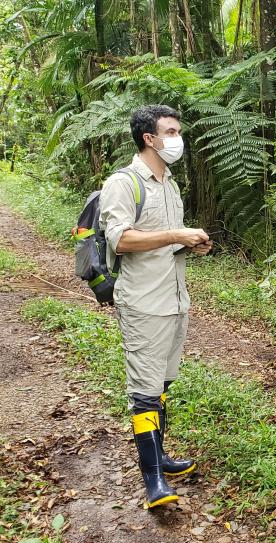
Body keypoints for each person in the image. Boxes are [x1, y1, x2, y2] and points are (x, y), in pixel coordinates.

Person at [99, 105, 213, 509]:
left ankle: (160, 456)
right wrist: (173, 234)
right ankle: (153, 483)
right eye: (170, 131)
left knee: (161, 385)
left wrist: (188, 242)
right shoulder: (124, 183)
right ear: (149, 138)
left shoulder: (170, 184)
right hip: (144, 303)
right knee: (144, 394)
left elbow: (165, 241)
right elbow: (121, 240)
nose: (176, 138)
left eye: (177, 131)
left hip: (175, 299)